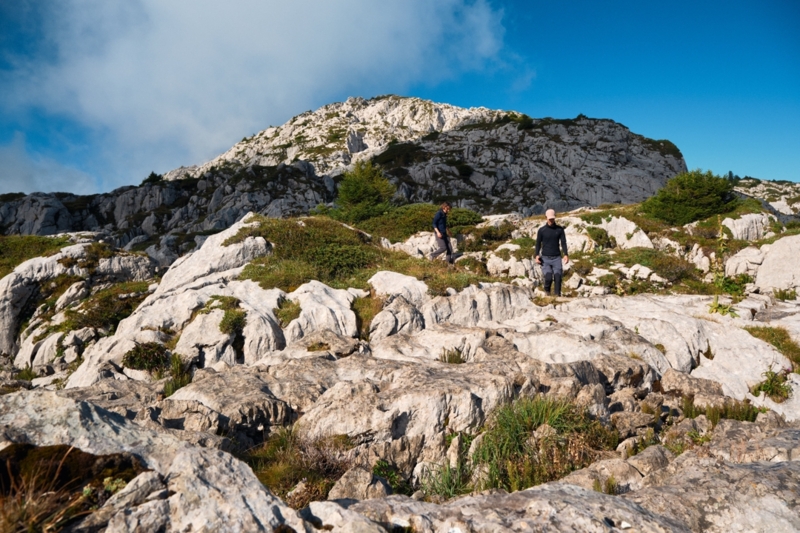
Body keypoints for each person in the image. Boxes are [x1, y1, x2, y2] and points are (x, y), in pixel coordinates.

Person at [534, 208, 569, 296]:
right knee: (548, 277)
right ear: (546, 218)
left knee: (558, 277)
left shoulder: (560, 230)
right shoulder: (541, 230)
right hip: (545, 258)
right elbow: (538, 243)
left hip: (557, 257)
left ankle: (557, 295)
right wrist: (537, 255)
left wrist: (565, 254)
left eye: (552, 219)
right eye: (549, 219)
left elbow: (563, 242)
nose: (551, 221)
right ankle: (547, 292)